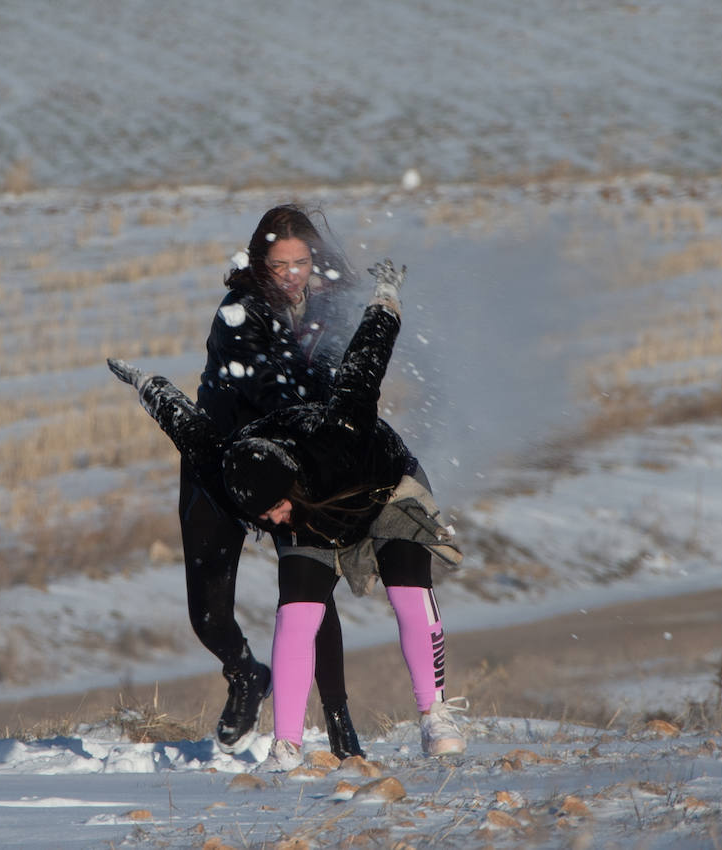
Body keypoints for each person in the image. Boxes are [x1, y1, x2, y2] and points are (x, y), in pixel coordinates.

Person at [109, 258, 466, 767]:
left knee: (409, 592)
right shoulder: (236, 470)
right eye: (264, 516)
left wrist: (386, 292)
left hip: (381, 485)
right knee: (297, 614)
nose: (273, 522)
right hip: (315, 510)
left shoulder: (343, 427)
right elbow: (187, 426)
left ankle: (436, 717)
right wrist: (145, 384)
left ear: (289, 488)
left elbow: (370, 350)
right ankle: (287, 744)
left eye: (275, 509)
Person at [178, 205, 364, 756]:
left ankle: (338, 722)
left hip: (292, 463)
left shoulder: (331, 310)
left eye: (301, 261)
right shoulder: (239, 310)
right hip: (220, 460)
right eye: (279, 262)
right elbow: (271, 387)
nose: (291, 273)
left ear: (315, 259)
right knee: (207, 613)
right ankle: (244, 675)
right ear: (260, 261)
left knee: (310, 595)